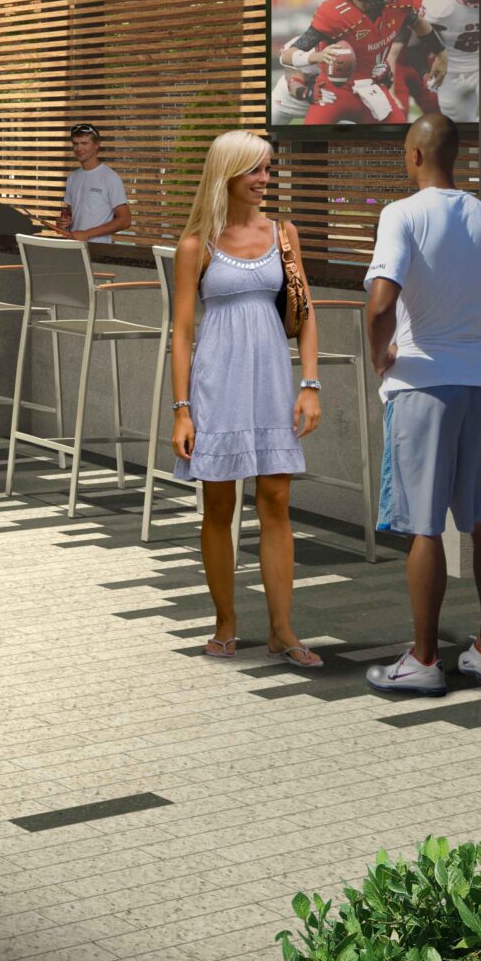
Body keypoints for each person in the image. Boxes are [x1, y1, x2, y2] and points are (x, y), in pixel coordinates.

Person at [363, 113, 481, 696]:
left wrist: (380, 356)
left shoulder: (401, 214)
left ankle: (424, 661)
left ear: (416, 156)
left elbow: (381, 305)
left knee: (425, 527)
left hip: (422, 383)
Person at [166, 130, 324, 664]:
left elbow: (304, 314)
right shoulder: (196, 245)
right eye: (255, 169)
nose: (264, 179)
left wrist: (309, 385)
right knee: (219, 504)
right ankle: (226, 622)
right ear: (228, 173)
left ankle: (283, 629)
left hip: (271, 384)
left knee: (276, 500)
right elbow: (182, 334)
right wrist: (182, 410)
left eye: (268, 168)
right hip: (216, 385)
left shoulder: (284, 234)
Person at [272, 0, 419, 126]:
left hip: (332, 99)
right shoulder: (304, 50)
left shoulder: (357, 44)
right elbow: (292, 80)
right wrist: (308, 93)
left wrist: (382, 74)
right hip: (295, 100)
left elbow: (377, 71)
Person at [55, 122, 131, 243]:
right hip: (74, 248)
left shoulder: (110, 177)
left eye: (84, 143)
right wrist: (63, 223)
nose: (79, 148)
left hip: (98, 250)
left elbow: (125, 220)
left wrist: (87, 234)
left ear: (97, 145)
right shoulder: (72, 178)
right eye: (76, 144)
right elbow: (72, 216)